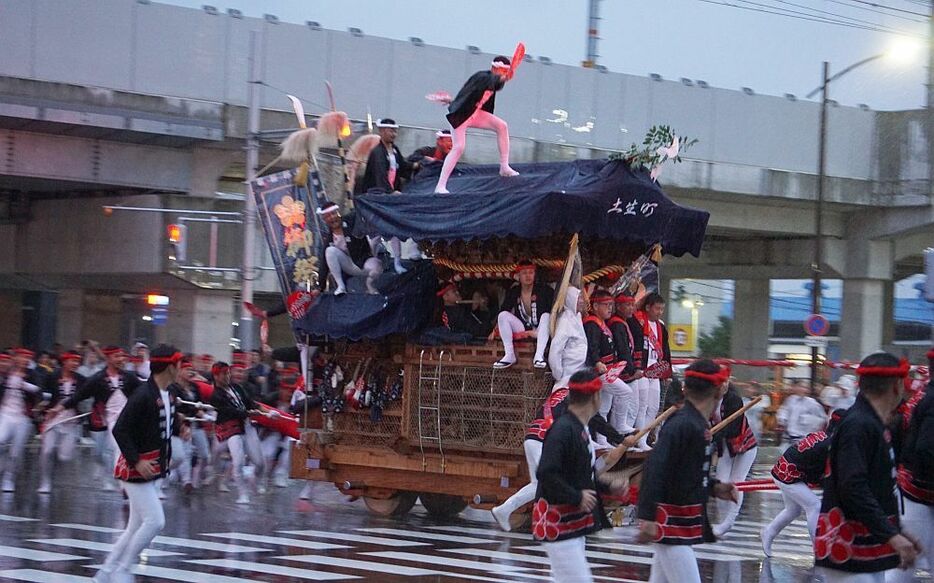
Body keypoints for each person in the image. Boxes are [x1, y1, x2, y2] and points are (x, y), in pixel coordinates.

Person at [814, 353, 922, 582]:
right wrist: (892, 535)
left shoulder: (872, 422)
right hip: (847, 547)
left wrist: (897, 531)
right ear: (897, 386)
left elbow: (879, 488)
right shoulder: (859, 425)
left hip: (865, 545)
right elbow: (853, 487)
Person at [491, 367, 635, 531]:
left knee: (539, 483)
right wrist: (621, 439)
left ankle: (506, 510)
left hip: (534, 436)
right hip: (543, 439)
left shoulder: (562, 394)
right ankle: (514, 511)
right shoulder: (576, 401)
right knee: (547, 480)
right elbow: (596, 421)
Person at [636, 359, 739, 583]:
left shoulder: (694, 423)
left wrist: (714, 487)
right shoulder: (683, 424)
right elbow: (654, 468)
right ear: (719, 388)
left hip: (677, 523)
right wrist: (647, 516)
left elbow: (685, 471)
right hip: (671, 525)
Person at [93, 344, 181, 583]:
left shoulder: (170, 393)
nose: (181, 368)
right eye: (178, 363)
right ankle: (124, 568)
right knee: (155, 521)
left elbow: (167, 425)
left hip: (153, 468)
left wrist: (182, 430)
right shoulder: (143, 395)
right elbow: (121, 429)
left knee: (134, 526)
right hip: (134, 469)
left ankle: (104, 573)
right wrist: (136, 460)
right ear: (169, 367)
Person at [533, 368, 628, 583]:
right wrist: (577, 497)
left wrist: (608, 487)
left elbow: (581, 474)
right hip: (559, 521)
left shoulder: (578, 428)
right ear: (596, 398)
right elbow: (546, 473)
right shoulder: (564, 429)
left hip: (572, 523)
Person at [54, 346, 142, 491]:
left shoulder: (129, 377)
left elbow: (142, 391)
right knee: (100, 453)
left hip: (124, 420)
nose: (121, 359)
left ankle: (121, 483)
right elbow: (79, 396)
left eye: (122, 356)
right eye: (117, 356)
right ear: (108, 358)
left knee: (116, 448)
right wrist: (60, 408)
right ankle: (105, 472)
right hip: (102, 420)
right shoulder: (97, 379)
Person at [762, 409, 845, 556]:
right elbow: (827, 474)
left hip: (785, 469)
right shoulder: (831, 444)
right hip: (789, 475)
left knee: (793, 510)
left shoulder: (823, 435)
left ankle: (768, 532)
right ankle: (818, 548)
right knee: (814, 506)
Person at [434, 55, 519, 193]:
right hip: (461, 115)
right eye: (501, 71)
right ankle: (440, 186)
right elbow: (490, 80)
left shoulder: (495, 81)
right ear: (493, 68)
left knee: (502, 126)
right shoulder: (482, 76)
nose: (503, 75)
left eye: (505, 72)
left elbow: (497, 84)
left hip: (475, 114)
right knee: (459, 147)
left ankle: (504, 167)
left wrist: (504, 77)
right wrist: (504, 77)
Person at [887, 348, 933, 583]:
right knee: (904, 565)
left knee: (905, 564)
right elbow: (925, 449)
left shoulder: (920, 398)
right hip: (918, 489)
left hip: (910, 487)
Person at [210, 361, 269, 504]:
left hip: (247, 426)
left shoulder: (237, 387)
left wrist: (264, 411)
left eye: (228, 373)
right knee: (238, 461)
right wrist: (251, 412)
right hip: (231, 429)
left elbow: (250, 402)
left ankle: (254, 481)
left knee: (260, 463)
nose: (228, 376)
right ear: (216, 376)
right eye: (224, 374)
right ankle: (242, 493)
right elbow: (231, 412)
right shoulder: (215, 396)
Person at [360, 118, 411, 273]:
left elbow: (403, 167)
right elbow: (380, 176)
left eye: (395, 131)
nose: (394, 134)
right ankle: (369, 260)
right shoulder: (377, 152)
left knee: (393, 230)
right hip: (378, 198)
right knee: (376, 233)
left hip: (390, 198)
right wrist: (390, 192)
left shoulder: (394, 150)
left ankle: (397, 262)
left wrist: (417, 165)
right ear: (382, 131)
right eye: (390, 131)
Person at [583, 290, 635, 444]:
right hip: (598, 371)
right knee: (626, 391)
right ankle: (620, 425)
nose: (610, 308)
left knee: (604, 407)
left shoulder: (602, 323)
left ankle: (602, 440)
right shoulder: (592, 323)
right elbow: (591, 346)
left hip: (608, 369)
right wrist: (597, 361)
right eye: (606, 305)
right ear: (595, 305)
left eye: (611, 305)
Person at [710, 382, 759, 538]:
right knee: (721, 481)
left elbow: (734, 429)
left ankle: (729, 522)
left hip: (744, 445)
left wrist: (714, 434)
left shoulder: (733, 400)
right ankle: (722, 520)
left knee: (737, 482)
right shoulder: (709, 400)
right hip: (725, 446)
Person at [37, 351, 86, 494]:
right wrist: (44, 405)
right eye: (72, 361)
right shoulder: (52, 376)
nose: (75, 364)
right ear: (64, 362)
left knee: (64, 457)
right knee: (47, 451)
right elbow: (43, 393)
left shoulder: (81, 379)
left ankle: (54, 468)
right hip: (52, 419)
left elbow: (92, 389)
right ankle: (45, 481)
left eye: (77, 361)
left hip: (71, 420)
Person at [494, 261, 553, 369]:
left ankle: (539, 356)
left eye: (531, 272)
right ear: (518, 276)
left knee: (546, 316)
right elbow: (504, 309)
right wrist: (494, 329)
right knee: (502, 315)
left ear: (535, 275)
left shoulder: (545, 290)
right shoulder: (514, 291)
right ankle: (509, 355)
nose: (528, 276)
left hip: (541, 329)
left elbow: (553, 312)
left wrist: (536, 332)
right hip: (522, 327)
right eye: (524, 273)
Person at [632, 292, 672, 450]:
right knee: (641, 405)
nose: (659, 312)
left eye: (662, 309)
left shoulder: (661, 326)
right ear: (648, 307)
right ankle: (638, 438)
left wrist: (667, 372)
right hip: (641, 367)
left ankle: (646, 437)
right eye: (657, 308)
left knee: (653, 406)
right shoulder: (638, 321)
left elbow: (666, 350)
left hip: (655, 368)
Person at [0, 348, 43, 492]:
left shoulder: (32, 374)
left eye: (27, 358)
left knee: (16, 450)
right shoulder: (6, 374)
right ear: (16, 358)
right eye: (22, 357)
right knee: (1, 439)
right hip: (5, 413)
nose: (25, 361)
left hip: (23, 416)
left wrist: (24, 385)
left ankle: (8, 478)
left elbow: (39, 391)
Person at [317, 202, 382, 295]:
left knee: (376, 267)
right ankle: (341, 286)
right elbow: (324, 262)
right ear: (325, 220)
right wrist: (320, 287)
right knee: (330, 251)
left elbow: (361, 212)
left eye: (333, 214)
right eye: (327, 216)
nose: (331, 218)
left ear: (338, 213)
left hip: (364, 262)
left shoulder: (351, 221)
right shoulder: (329, 238)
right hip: (350, 266)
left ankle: (370, 285)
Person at [608, 291, 645, 427]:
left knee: (631, 406)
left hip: (625, 369)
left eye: (632, 305)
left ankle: (621, 436)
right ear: (618, 307)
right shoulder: (617, 324)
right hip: (624, 371)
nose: (632, 308)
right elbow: (623, 349)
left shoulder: (623, 322)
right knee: (626, 404)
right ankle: (619, 437)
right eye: (628, 305)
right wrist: (631, 370)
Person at [547, 286, 588, 389]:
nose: (582, 301)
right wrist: (558, 374)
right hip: (567, 377)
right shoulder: (565, 321)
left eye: (581, 298)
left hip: (580, 373)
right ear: (571, 299)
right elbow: (555, 349)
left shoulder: (577, 317)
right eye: (578, 298)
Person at [776, 380, 827, 446]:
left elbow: (823, 418)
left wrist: (809, 421)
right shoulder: (791, 400)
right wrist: (782, 420)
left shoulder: (812, 403)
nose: (802, 389)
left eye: (804, 387)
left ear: (808, 390)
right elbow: (784, 411)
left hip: (803, 438)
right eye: (800, 387)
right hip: (788, 437)